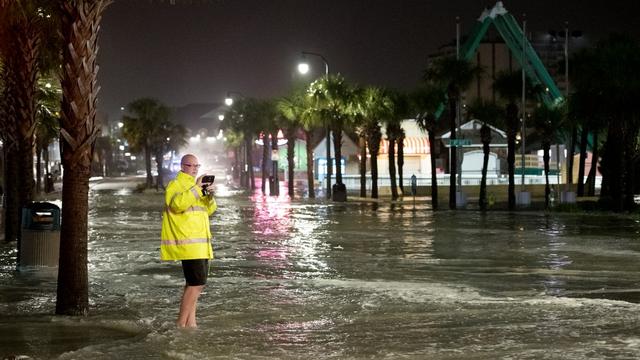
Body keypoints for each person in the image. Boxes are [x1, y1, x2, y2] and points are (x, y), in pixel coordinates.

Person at [161, 154, 217, 328]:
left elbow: (210, 210)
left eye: (196, 166)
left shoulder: (196, 187)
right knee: (197, 284)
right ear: (182, 166)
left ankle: (191, 324)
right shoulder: (176, 184)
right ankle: (180, 324)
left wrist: (209, 195)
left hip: (200, 244)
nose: (194, 168)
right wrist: (197, 189)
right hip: (188, 244)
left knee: (194, 285)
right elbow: (177, 205)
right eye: (191, 165)